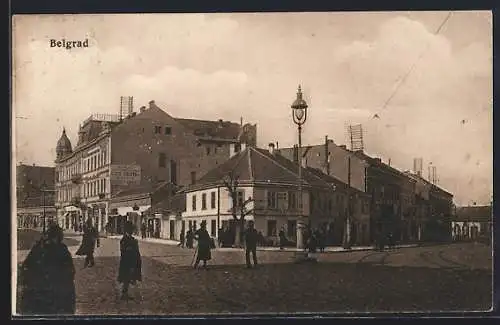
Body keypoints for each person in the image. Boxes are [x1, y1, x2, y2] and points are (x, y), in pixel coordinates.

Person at [20, 225, 76, 315]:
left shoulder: (38, 247)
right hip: (56, 295)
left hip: (40, 293)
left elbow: (26, 267)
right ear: (58, 237)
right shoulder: (61, 249)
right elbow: (70, 270)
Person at [118, 221, 142, 300]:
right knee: (126, 277)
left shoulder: (131, 239)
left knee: (128, 277)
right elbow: (124, 250)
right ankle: (124, 294)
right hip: (127, 262)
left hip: (131, 261)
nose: (132, 231)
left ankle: (125, 293)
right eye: (131, 230)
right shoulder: (125, 240)